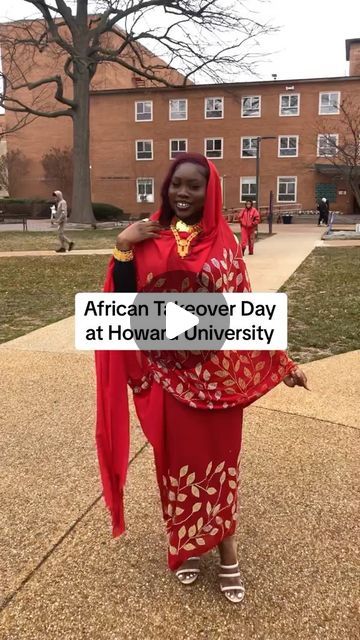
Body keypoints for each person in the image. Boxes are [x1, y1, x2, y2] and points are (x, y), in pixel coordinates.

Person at [95, 153, 308, 604]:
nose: (183, 193)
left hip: (219, 382)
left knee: (221, 465)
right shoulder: (146, 238)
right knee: (175, 467)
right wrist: (122, 245)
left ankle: (227, 552)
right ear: (166, 189)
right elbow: (129, 303)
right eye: (176, 185)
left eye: (194, 186)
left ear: (210, 192)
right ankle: (185, 546)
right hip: (169, 379)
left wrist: (282, 364)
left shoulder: (226, 244)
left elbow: (243, 309)